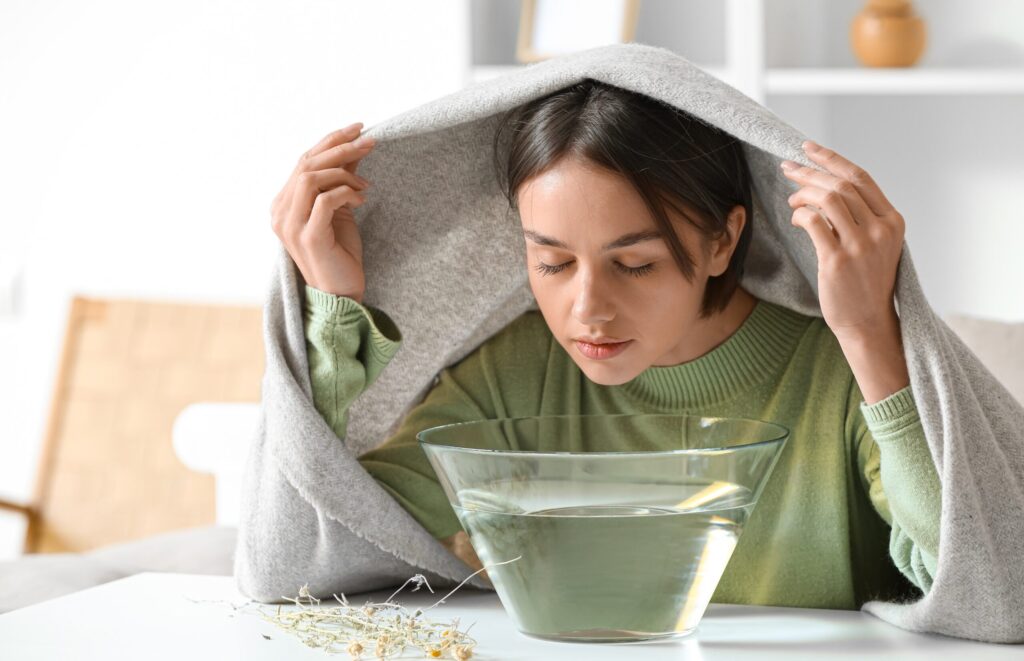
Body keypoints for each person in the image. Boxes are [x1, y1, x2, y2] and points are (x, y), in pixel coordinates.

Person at [271, 79, 940, 609]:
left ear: (722, 240)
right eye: (553, 264)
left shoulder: (838, 374)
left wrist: (869, 333)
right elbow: (303, 556)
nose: (585, 310)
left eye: (635, 263)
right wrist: (332, 313)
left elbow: (980, 578)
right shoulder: (517, 373)